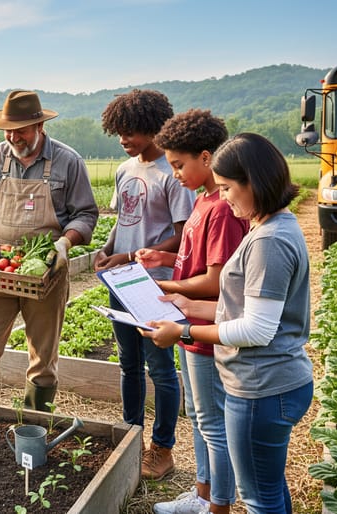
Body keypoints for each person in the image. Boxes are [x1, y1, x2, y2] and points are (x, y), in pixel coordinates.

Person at [142, 133, 314, 514]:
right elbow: (244, 308)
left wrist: (182, 331)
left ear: (253, 181)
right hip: (277, 382)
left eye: (227, 188)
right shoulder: (273, 226)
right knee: (269, 488)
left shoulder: (269, 240)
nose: (225, 197)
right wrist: (189, 305)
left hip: (262, 387)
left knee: (258, 499)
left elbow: (255, 329)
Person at [0, 89, 99, 411]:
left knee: (43, 358)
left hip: (46, 271)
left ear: (40, 127)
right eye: (8, 130)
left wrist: (64, 242)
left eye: (21, 130)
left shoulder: (67, 161)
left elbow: (86, 214)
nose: (14, 137)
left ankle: (33, 424)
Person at [137, 110, 248, 514]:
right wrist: (161, 257)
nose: (176, 174)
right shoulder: (203, 200)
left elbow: (216, 282)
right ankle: (202, 494)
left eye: (180, 165)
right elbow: (194, 260)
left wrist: (163, 285)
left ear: (206, 157)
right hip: (189, 322)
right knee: (198, 416)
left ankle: (217, 504)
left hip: (206, 327)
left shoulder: (221, 207)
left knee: (213, 423)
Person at [93, 89, 193, 480]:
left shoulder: (173, 172)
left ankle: (162, 448)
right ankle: (129, 436)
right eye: (118, 131)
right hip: (121, 282)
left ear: (154, 128)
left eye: (131, 130)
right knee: (128, 364)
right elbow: (124, 222)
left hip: (157, 285)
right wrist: (106, 250)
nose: (123, 139)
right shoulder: (124, 170)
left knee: (161, 369)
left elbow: (183, 235)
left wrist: (133, 256)